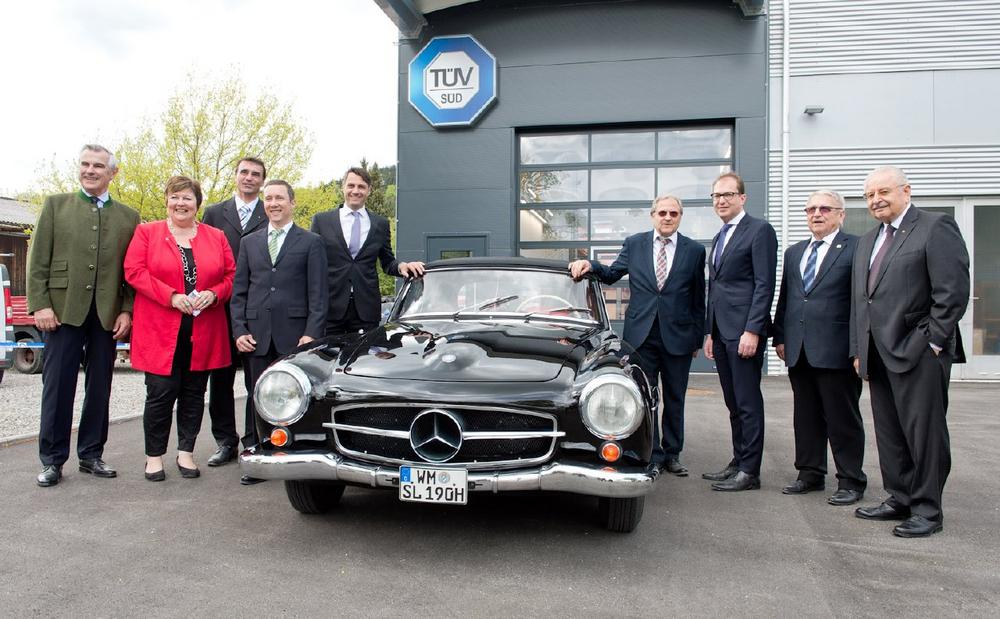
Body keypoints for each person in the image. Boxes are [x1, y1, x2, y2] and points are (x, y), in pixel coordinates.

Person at [849, 166, 969, 538]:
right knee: (890, 433)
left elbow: (951, 292)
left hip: (919, 352)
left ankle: (928, 510)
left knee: (924, 434)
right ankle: (899, 497)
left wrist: (932, 342)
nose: (876, 200)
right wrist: (858, 349)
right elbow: (861, 302)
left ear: (906, 190)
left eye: (883, 191)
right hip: (877, 353)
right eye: (869, 195)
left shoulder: (935, 227)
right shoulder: (868, 240)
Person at [27, 144, 140, 487]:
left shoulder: (129, 217)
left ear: (112, 173)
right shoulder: (55, 205)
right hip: (62, 311)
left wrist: (126, 310)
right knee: (58, 387)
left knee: (100, 387)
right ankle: (52, 460)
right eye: (85, 164)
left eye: (98, 166)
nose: (90, 170)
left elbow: (131, 271)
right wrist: (40, 304)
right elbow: (37, 260)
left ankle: (91, 454)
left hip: (106, 314)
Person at [569, 195, 705, 477]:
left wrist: (697, 339)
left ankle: (672, 454)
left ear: (680, 217)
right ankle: (652, 453)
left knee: (675, 398)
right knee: (646, 397)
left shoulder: (694, 250)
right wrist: (590, 265)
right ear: (653, 215)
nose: (667, 217)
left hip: (679, 336)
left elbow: (697, 298)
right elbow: (611, 274)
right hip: (642, 337)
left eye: (673, 213)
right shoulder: (635, 244)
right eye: (662, 213)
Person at [124, 176, 236, 481]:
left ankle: (186, 452)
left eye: (187, 197)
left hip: (203, 329)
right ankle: (154, 457)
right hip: (160, 329)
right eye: (175, 197)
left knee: (194, 393)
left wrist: (214, 293)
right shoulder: (147, 233)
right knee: (160, 393)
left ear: (197, 203)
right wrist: (171, 296)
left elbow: (231, 275)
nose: (180, 203)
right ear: (166, 201)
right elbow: (134, 271)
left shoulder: (216, 236)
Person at [230, 180, 328, 485]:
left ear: (292, 203)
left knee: (293, 396)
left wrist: (311, 334)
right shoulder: (249, 242)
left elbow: (319, 294)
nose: (273, 203)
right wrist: (239, 330)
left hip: (295, 336)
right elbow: (239, 292)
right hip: (256, 334)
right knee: (256, 394)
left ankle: (290, 455)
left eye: (279, 198)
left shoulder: (311, 242)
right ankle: (255, 453)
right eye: (269, 198)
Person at [773, 190, 866, 505]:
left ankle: (850, 480)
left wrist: (858, 348)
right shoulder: (795, 252)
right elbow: (787, 297)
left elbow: (860, 302)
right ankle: (810, 473)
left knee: (842, 418)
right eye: (811, 209)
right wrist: (780, 337)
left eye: (825, 208)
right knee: (806, 416)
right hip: (799, 349)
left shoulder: (856, 248)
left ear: (841, 214)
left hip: (837, 350)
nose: (816, 214)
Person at [702, 172, 777, 492]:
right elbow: (716, 288)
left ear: (742, 198)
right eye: (716, 196)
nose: (721, 200)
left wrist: (753, 329)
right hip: (722, 332)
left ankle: (750, 471)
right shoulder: (720, 236)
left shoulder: (759, 230)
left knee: (747, 403)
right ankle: (738, 460)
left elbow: (764, 284)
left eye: (728, 195)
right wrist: (710, 332)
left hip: (744, 332)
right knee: (733, 402)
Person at [201, 158, 267, 467]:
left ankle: (256, 440)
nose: (249, 178)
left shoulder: (270, 211)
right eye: (244, 172)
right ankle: (225, 441)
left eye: (256, 174)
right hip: (221, 308)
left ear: (262, 181)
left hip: (259, 311)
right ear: (236, 175)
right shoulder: (215, 213)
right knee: (220, 380)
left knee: (258, 380)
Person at [310, 167, 424, 336]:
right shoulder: (322, 221)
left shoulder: (380, 224)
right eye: (351, 186)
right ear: (343, 187)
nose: (355, 191)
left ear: (369, 190)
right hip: (330, 309)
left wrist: (402, 266)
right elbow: (312, 264)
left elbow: (387, 262)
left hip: (366, 311)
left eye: (361, 187)